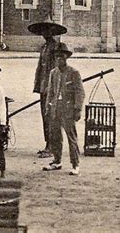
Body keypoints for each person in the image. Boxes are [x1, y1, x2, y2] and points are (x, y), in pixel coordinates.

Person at [43, 43, 85, 176]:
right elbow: (50, 91)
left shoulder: (73, 73)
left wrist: (77, 109)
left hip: (68, 110)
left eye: (62, 57)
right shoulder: (53, 73)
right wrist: (47, 108)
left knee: (71, 137)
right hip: (55, 108)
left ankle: (75, 164)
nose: (59, 60)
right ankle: (56, 161)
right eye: (57, 57)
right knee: (55, 136)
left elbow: (80, 92)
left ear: (66, 58)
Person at [28, 18, 66, 158]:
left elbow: (60, 69)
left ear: (53, 31)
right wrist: (38, 85)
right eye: (43, 30)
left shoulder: (57, 47)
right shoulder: (44, 47)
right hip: (44, 87)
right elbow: (40, 68)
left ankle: (52, 147)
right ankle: (47, 144)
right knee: (45, 116)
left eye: (48, 30)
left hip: (53, 89)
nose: (45, 33)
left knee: (52, 117)